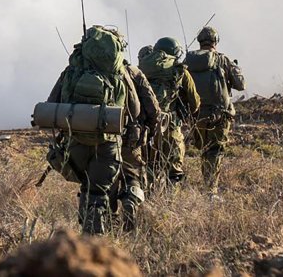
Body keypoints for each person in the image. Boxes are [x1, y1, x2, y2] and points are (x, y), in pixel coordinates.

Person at [46, 25, 140, 235]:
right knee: (99, 191)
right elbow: (135, 109)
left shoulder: (72, 71)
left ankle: (89, 237)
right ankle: (97, 241)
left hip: (75, 140)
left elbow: (52, 102)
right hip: (108, 143)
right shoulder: (119, 72)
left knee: (86, 189)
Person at [186, 26, 246, 194]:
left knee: (204, 149)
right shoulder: (223, 60)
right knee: (215, 151)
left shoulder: (188, 61)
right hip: (219, 114)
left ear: (199, 42)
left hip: (196, 114)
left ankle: (205, 184)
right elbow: (241, 85)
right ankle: (210, 190)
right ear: (216, 42)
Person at [138, 37, 200, 186]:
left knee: (149, 167)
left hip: (145, 126)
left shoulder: (142, 69)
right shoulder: (180, 70)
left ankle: (149, 202)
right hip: (170, 126)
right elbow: (195, 101)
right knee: (174, 171)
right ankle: (170, 205)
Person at [112, 56, 161, 230]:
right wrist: (150, 130)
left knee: (102, 178)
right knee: (132, 175)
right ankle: (130, 203)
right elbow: (153, 108)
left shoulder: (80, 70)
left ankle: (107, 219)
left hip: (92, 138)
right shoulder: (133, 72)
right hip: (129, 138)